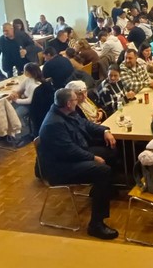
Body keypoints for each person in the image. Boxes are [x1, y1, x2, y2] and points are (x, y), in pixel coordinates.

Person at [38, 88, 118, 239]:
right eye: (75, 100)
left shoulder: (67, 112)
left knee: (112, 149)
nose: (78, 102)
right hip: (60, 168)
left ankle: (102, 190)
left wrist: (105, 131)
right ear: (68, 103)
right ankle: (96, 225)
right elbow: (69, 150)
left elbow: (86, 125)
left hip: (73, 156)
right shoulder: (53, 124)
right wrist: (92, 158)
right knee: (102, 171)